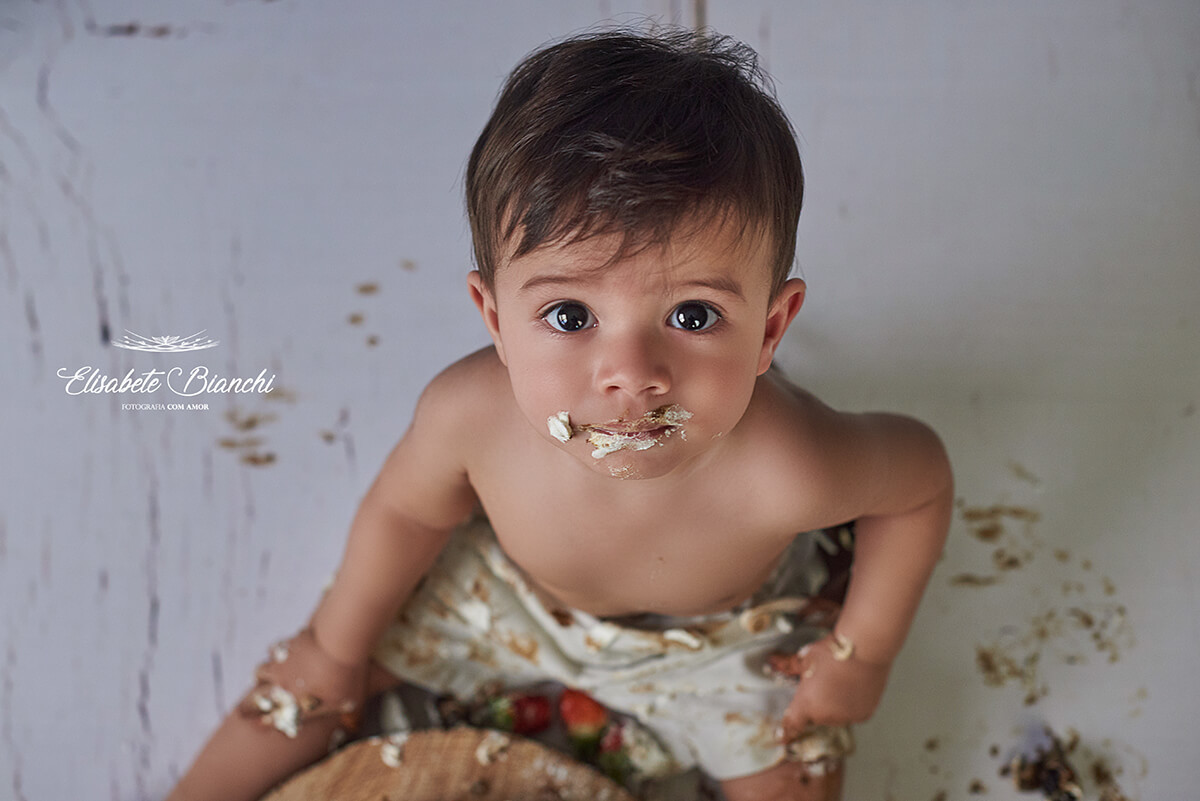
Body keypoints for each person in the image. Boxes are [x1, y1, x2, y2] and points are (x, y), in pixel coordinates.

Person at [168, 27, 952, 801]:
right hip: (508, 596)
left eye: (693, 316)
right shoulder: (468, 415)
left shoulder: (790, 464)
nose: (631, 376)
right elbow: (406, 512)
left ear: (771, 330)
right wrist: (332, 646)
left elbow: (918, 485)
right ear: (495, 315)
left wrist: (862, 653)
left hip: (717, 639)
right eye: (571, 316)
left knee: (799, 769)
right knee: (300, 693)